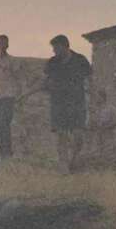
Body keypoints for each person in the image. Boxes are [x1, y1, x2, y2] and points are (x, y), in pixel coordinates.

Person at [42, 34, 92, 173]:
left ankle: (73, 160)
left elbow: (90, 79)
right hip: (59, 103)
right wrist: (47, 86)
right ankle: (63, 165)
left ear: (65, 46)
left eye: (56, 47)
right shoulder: (52, 62)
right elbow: (45, 80)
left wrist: (92, 97)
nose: (54, 51)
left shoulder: (80, 60)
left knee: (78, 136)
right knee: (61, 135)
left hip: (77, 103)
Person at [0, 34, 20, 159]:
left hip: (8, 95)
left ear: (7, 45)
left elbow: (17, 77)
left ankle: (7, 152)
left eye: (3, 43)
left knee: (4, 123)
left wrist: (19, 94)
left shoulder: (12, 61)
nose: (1, 45)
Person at [91, 88, 116, 156]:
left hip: (108, 136)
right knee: (99, 154)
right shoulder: (97, 110)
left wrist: (107, 127)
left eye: (98, 96)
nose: (96, 98)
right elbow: (95, 122)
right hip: (99, 136)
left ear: (102, 97)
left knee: (109, 153)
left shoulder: (110, 108)